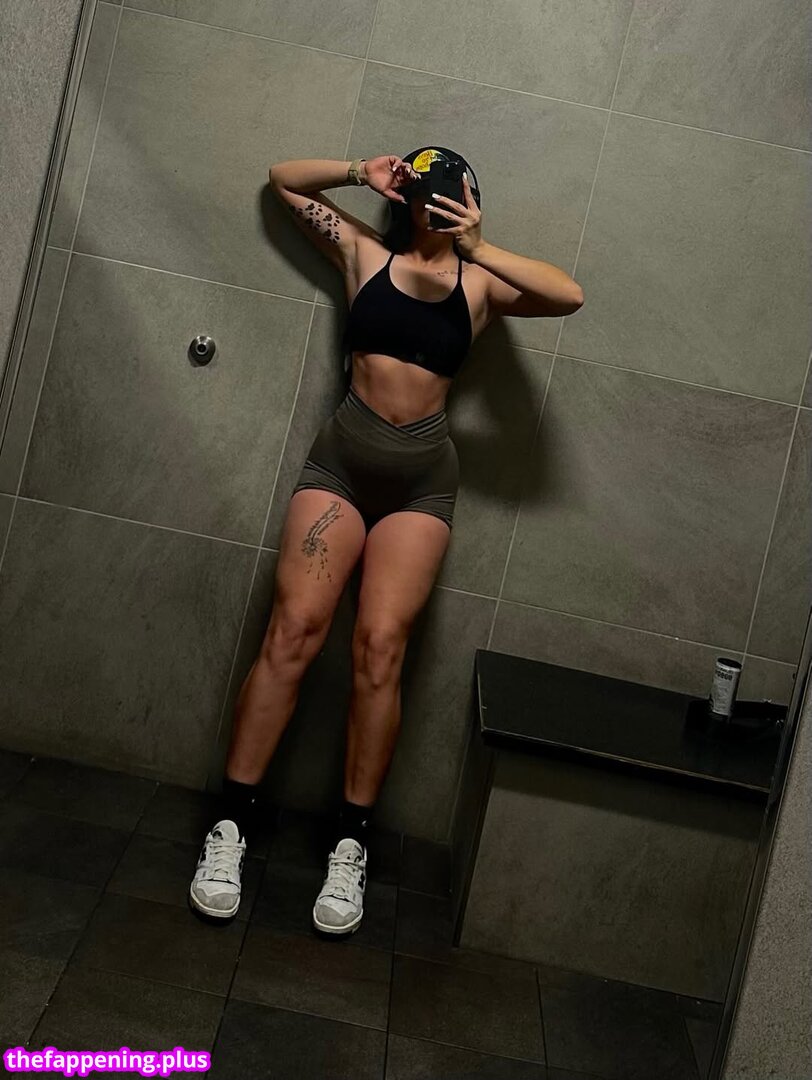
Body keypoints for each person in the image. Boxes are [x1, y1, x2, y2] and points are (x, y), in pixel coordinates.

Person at [188, 147, 584, 933]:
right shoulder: (362, 252)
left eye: (450, 197)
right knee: (294, 632)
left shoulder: (483, 284)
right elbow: (281, 179)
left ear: (470, 203)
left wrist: (479, 245)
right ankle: (229, 826)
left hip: (421, 486)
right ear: (405, 197)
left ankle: (350, 845)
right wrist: (356, 171)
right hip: (339, 470)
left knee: (379, 651)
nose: (435, 207)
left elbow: (568, 294)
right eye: (424, 193)